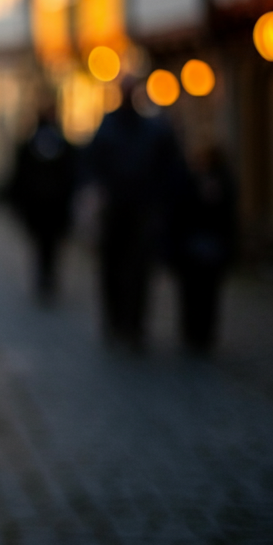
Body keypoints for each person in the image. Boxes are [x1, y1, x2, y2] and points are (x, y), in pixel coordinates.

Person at [82, 78, 186, 348]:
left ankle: (134, 324)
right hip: (115, 207)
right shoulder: (108, 127)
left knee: (139, 269)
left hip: (143, 208)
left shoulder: (153, 129)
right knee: (113, 267)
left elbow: (170, 166)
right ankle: (116, 320)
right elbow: (91, 164)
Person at [7, 106, 77, 301]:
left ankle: (46, 279)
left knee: (46, 246)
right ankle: (45, 279)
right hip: (46, 207)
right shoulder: (56, 144)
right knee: (46, 246)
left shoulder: (35, 144)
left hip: (47, 207)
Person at [170, 146, 236, 352]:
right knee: (198, 292)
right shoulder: (190, 180)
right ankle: (196, 333)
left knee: (203, 292)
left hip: (204, 245)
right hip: (196, 245)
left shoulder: (220, 181)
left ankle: (199, 333)